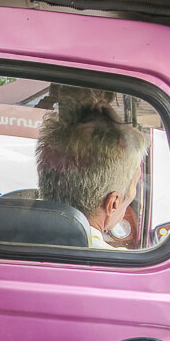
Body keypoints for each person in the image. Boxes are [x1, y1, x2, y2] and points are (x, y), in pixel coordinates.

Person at [36, 91, 149, 249]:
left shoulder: (2, 239)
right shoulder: (123, 266)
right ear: (113, 203)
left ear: (42, 172)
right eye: (132, 189)